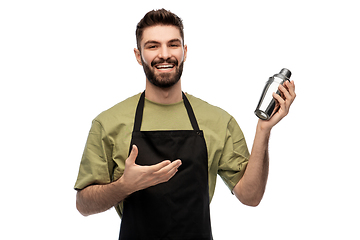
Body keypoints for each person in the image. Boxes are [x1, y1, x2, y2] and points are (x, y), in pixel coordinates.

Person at [74, 8, 296, 240]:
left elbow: (250, 196)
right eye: (152, 46)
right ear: (138, 55)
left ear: (184, 51)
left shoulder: (218, 121)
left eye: (173, 44)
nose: (164, 54)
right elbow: (83, 205)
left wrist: (264, 129)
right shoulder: (108, 123)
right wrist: (124, 186)